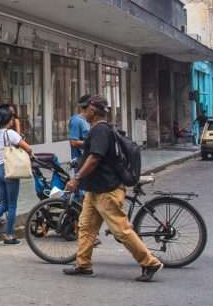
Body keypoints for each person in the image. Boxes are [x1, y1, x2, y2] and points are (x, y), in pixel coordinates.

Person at [64, 95, 163, 282]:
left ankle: (150, 262)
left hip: (106, 190)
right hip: (94, 189)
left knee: (121, 230)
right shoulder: (99, 129)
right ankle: (83, 264)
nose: (84, 112)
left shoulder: (100, 130)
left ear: (93, 110)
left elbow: (94, 158)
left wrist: (77, 178)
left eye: (86, 109)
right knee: (86, 227)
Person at [0, 105, 33, 244]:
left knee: (4, 203)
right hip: (10, 170)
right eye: (12, 118)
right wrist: (30, 154)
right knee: (12, 205)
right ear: (8, 119)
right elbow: (27, 148)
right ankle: (9, 235)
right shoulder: (10, 134)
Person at [68, 95, 91, 163]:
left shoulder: (90, 120)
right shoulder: (76, 121)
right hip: (81, 162)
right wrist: (91, 143)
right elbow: (73, 142)